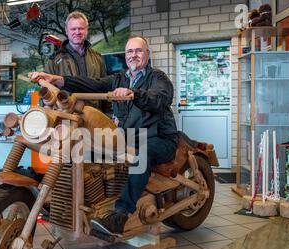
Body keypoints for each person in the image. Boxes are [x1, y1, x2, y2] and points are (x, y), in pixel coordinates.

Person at [30, 35, 178, 238]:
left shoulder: (157, 78)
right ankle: (71, 200)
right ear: (125, 56)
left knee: (143, 154)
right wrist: (58, 79)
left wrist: (133, 93)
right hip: (130, 137)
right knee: (84, 147)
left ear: (147, 54)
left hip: (158, 139)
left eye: (138, 51)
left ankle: (120, 214)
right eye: (129, 52)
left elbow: (161, 98)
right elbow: (93, 84)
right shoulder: (119, 78)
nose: (133, 55)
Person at [45, 11, 107, 112]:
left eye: (81, 28)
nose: (77, 32)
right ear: (67, 31)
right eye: (73, 29)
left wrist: (108, 114)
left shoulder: (97, 58)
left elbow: (105, 87)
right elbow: (47, 93)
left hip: (95, 116)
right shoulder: (54, 60)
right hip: (66, 117)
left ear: (86, 30)